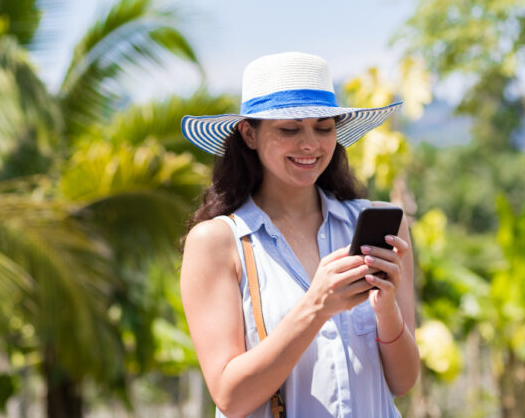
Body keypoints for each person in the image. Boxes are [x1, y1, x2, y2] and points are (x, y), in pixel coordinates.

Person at [180, 52, 420, 418]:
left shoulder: (376, 224)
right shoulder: (218, 242)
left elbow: (403, 382)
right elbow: (231, 398)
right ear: (249, 134)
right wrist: (316, 307)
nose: (310, 144)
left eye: (323, 128)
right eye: (289, 130)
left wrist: (386, 309)